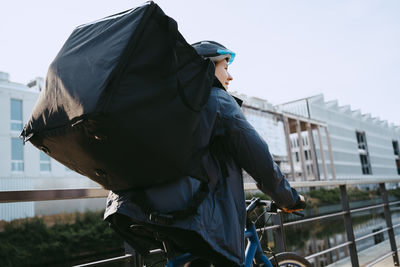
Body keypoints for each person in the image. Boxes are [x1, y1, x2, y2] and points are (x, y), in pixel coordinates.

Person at [104, 40, 305, 267]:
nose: (230, 77)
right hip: (186, 211)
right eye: (225, 67)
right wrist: (289, 198)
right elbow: (258, 158)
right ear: (207, 68)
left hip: (137, 206)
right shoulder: (218, 100)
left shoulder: (166, 103)